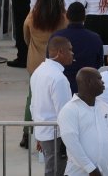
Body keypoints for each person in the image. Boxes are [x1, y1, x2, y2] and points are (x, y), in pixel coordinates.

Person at [58, 67, 108, 176]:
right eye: (99, 79)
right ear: (88, 82)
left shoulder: (106, 107)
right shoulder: (69, 110)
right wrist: (91, 169)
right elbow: (72, 144)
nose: (103, 82)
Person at [29, 36, 74, 176]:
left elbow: (33, 106)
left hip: (45, 132)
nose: (73, 53)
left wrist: (38, 133)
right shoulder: (58, 78)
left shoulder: (39, 71)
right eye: (70, 50)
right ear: (60, 52)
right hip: (56, 136)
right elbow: (65, 112)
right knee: (55, 172)